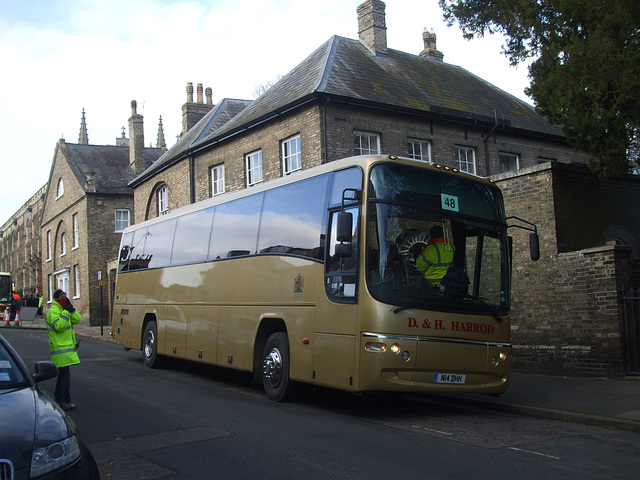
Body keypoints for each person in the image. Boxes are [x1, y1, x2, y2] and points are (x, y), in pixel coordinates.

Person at [46, 289, 81, 411]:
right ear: (55, 299)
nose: (63, 299)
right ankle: (65, 401)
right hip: (59, 349)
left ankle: (58, 399)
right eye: (61, 296)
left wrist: (71, 309)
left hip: (67, 349)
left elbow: (77, 319)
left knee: (62, 375)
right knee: (65, 376)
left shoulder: (63, 310)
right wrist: (66, 312)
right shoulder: (52, 312)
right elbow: (59, 327)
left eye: (65, 296)